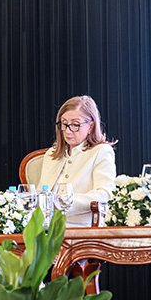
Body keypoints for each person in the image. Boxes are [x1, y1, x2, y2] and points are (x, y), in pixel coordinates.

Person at [35, 95, 117, 227]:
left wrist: (64, 202)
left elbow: (105, 194)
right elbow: (41, 193)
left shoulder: (101, 151)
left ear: (90, 126)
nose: (67, 131)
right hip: (46, 226)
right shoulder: (51, 154)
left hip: (81, 227)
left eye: (75, 125)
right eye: (64, 123)